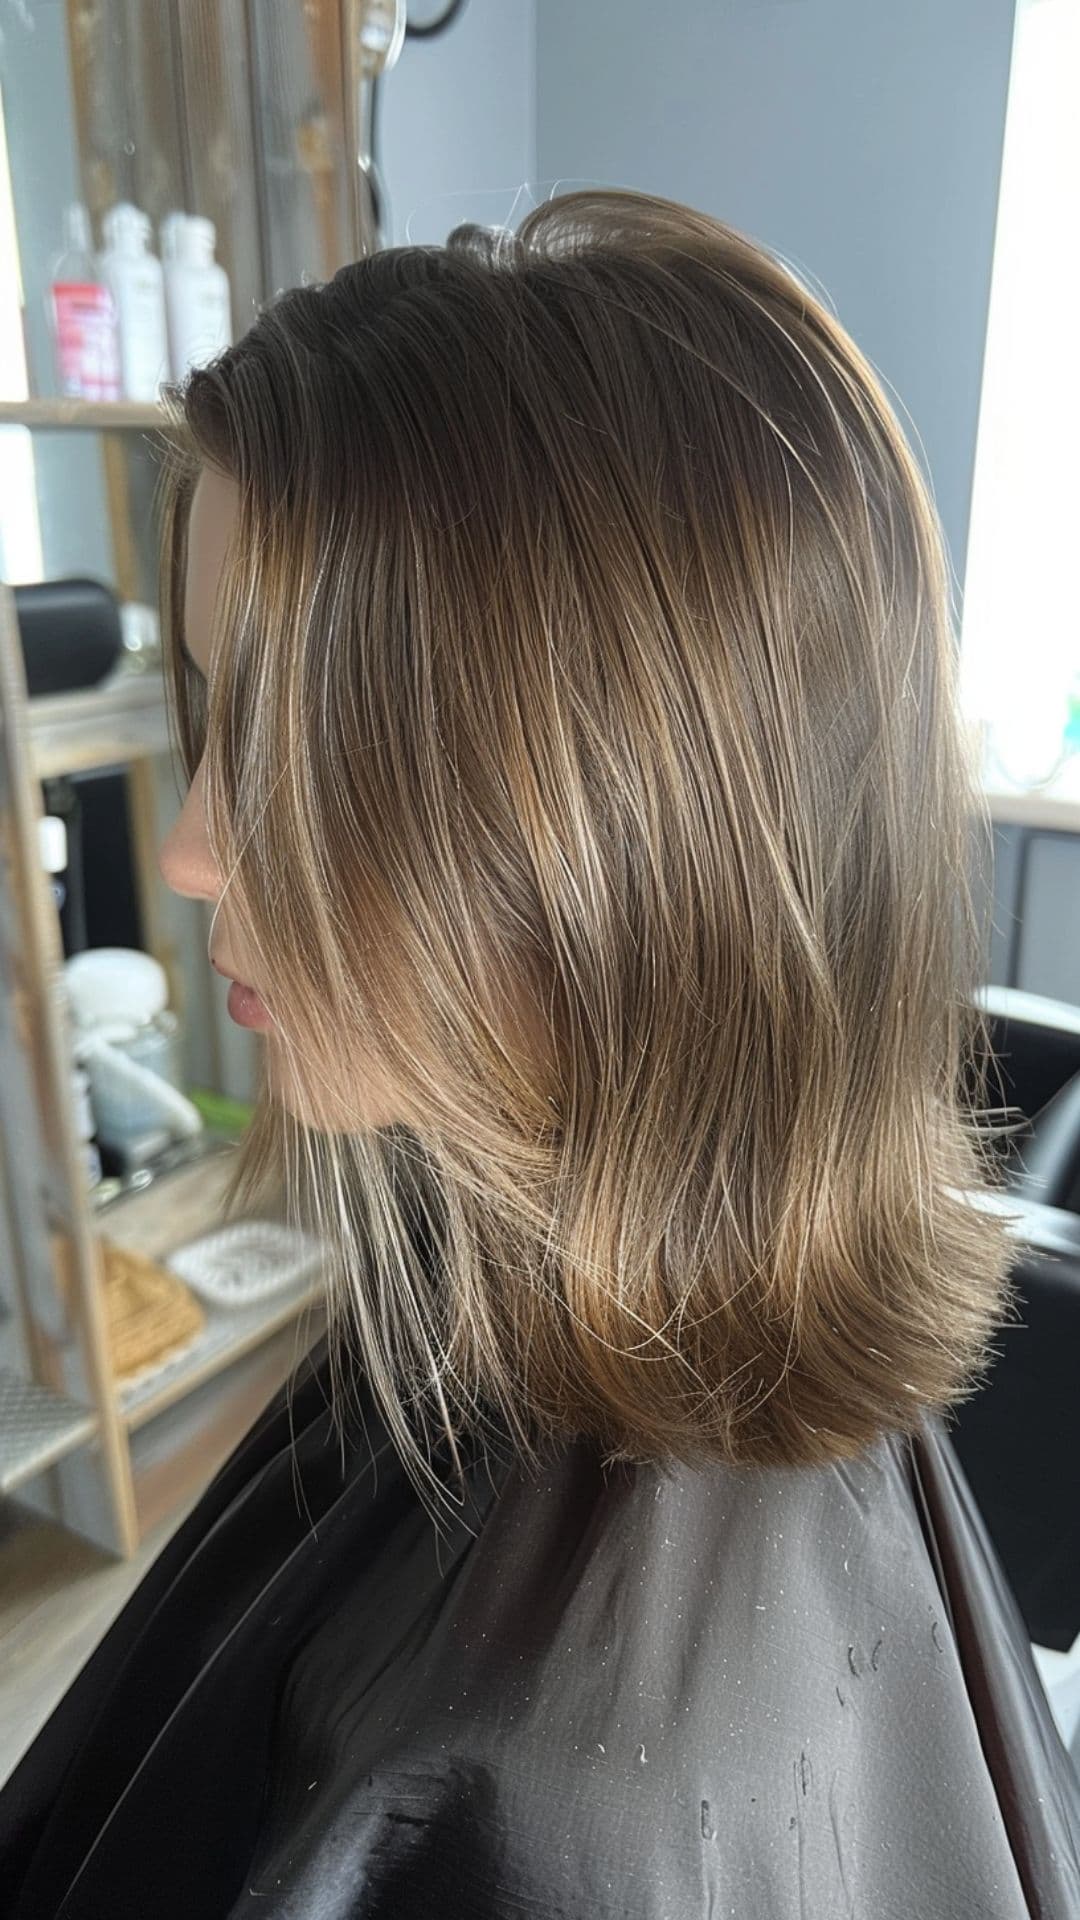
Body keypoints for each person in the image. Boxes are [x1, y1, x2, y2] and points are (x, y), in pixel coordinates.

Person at [2, 187, 1078, 1918]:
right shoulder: (484, 1316)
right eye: (219, 716)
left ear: (630, 840)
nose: (196, 847)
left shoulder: (581, 1809)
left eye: (307, 746)